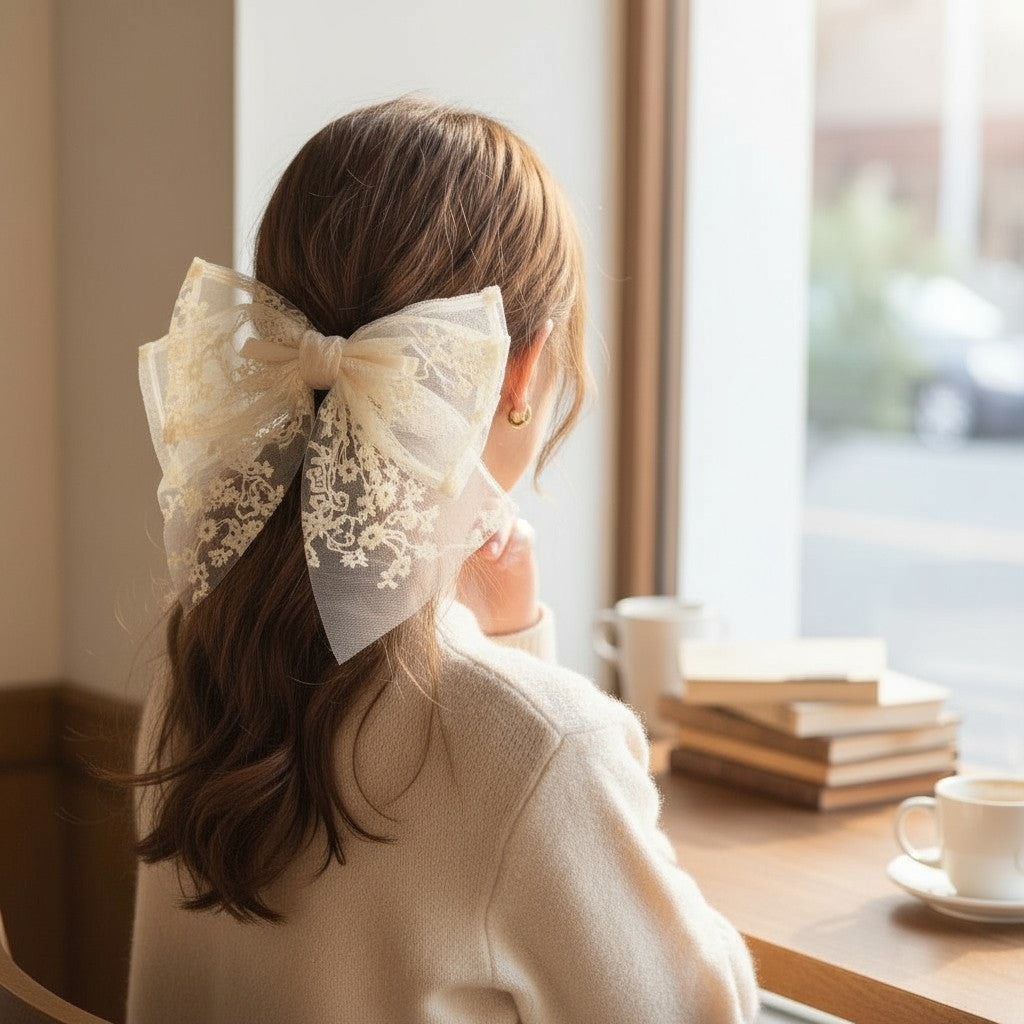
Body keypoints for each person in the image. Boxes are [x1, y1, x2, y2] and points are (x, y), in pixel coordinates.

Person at [125, 93, 759, 1024]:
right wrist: (522, 682)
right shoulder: (543, 748)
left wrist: (505, 652)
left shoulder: (196, 662)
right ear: (518, 368)